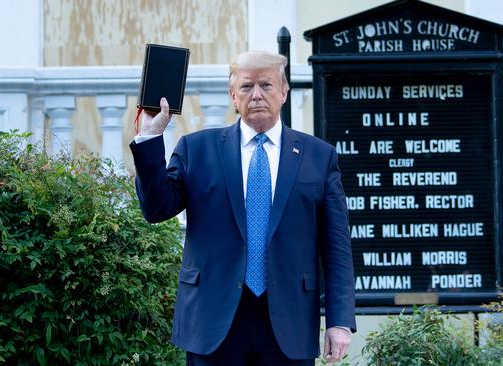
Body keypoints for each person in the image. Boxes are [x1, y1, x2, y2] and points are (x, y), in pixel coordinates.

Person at [130, 50, 355, 365]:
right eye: (247, 87)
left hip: (289, 321)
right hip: (213, 319)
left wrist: (339, 321)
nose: (257, 95)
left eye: (266, 85)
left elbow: (337, 248)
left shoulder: (319, 157)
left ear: (284, 93)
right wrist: (152, 136)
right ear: (233, 96)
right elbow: (156, 209)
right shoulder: (197, 149)